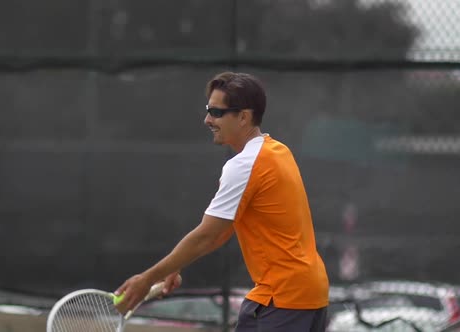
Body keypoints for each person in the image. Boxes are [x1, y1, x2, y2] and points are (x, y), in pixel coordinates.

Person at [115, 72, 329, 331]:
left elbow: (207, 235)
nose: (207, 120)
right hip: (305, 293)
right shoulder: (278, 151)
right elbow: (220, 233)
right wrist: (175, 266)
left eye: (216, 112)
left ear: (243, 117)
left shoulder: (245, 165)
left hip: (283, 299)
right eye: (209, 110)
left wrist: (147, 279)